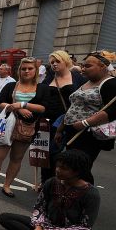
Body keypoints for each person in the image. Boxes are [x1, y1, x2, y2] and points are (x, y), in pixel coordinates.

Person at [0, 150, 99, 230]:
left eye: (64, 168)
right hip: (45, 226)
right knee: (5, 218)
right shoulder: (51, 182)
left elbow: (84, 227)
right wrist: (38, 226)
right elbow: (39, 208)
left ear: (77, 172)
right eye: (57, 166)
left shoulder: (91, 194)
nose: (57, 170)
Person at [56, 50, 116, 176]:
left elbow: (114, 110)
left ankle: (84, 193)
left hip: (88, 135)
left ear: (102, 66)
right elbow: (73, 106)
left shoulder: (112, 84)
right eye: (83, 66)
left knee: (79, 169)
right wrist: (60, 129)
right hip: (71, 131)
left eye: (88, 66)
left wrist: (84, 123)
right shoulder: (86, 82)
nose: (83, 69)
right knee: (69, 167)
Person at [0, 58, 48, 196]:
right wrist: (17, 109)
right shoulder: (11, 86)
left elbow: (43, 108)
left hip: (27, 128)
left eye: (30, 68)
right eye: (23, 68)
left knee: (16, 158)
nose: (26, 71)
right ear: (19, 70)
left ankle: (7, 185)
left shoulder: (42, 88)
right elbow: (0, 103)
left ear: (36, 70)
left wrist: (23, 105)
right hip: (6, 124)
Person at [40, 50, 86, 183]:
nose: (54, 64)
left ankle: (65, 181)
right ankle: (47, 182)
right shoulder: (49, 78)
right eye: (52, 62)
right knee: (48, 153)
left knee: (66, 154)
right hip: (49, 121)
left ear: (66, 61)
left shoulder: (78, 78)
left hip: (69, 120)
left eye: (57, 61)